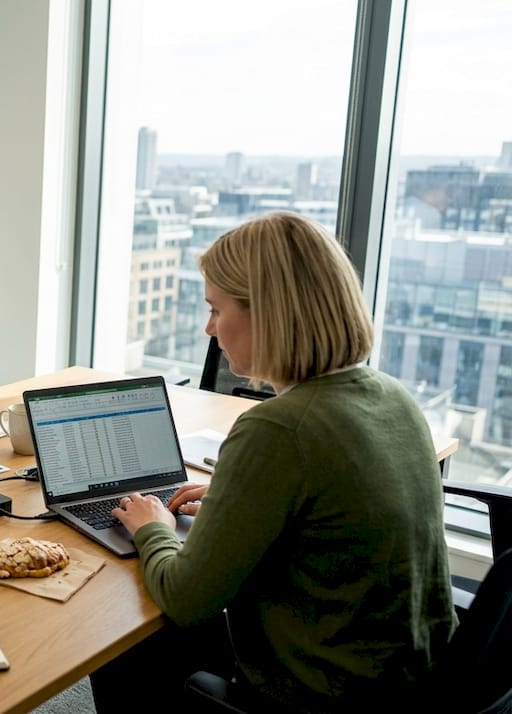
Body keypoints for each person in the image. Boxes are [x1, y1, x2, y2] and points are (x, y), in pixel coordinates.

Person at [96, 211, 456, 712]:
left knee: (121, 632)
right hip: (413, 678)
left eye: (216, 309)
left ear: (267, 312)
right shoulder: (391, 396)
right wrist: (236, 502)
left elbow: (186, 600)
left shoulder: (277, 428)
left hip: (323, 694)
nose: (209, 328)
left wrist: (152, 526)